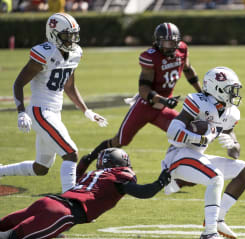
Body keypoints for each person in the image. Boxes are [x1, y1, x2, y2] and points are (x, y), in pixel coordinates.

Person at [76, 22, 202, 178]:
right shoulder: (150, 57)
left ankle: (179, 174)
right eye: (167, 42)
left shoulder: (182, 49)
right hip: (145, 107)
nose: (171, 46)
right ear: (158, 42)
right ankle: (87, 160)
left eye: (173, 42)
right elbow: (144, 91)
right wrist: (163, 100)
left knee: (187, 133)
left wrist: (201, 93)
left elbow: (188, 70)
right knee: (119, 141)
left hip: (163, 108)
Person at [0, 13, 107, 193]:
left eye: (74, 35)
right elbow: (18, 83)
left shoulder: (75, 53)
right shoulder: (44, 53)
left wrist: (87, 111)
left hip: (54, 113)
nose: (71, 40)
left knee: (40, 168)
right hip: (40, 111)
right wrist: (20, 111)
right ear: (53, 33)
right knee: (71, 153)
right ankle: (71, 199)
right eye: (67, 35)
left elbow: (70, 86)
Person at [0, 148, 171, 239]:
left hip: (47, 201)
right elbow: (142, 192)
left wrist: (88, 158)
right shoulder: (118, 176)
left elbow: (80, 168)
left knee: (3, 225)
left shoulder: (93, 174)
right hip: (62, 213)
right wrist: (160, 182)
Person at [162, 66, 245, 239]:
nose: (234, 94)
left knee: (244, 171)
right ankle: (209, 234)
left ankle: (218, 219)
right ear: (217, 89)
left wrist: (233, 145)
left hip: (195, 156)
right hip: (177, 156)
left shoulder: (230, 112)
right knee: (215, 177)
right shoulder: (198, 101)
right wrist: (199, 138)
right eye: (230, 90)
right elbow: (172, 132)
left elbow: (234, 151)